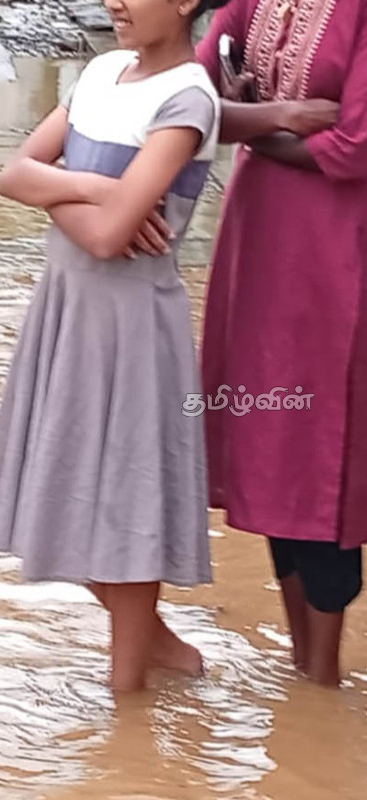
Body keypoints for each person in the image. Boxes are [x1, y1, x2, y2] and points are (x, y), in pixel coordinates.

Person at [0, 0, 230, 692]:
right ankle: (165, 652)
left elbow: (109, 236)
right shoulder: (103, 71)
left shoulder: (188, 99)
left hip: (131, 328)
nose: (113, 1)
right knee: (52, 490)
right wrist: (90, 184)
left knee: (126, 503)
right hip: (65, 312)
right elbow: (10, 173)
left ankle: (128, 704)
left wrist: (54, 192)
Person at [194, 0, 367, 686]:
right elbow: (189, 92)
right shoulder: (250, 2)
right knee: (274, 441)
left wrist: (251, 127)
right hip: (262, 237)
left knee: (325, 445)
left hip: (339, 250)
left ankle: (321, 676)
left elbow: (354, 146)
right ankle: (307, 679)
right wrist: (279, 119)